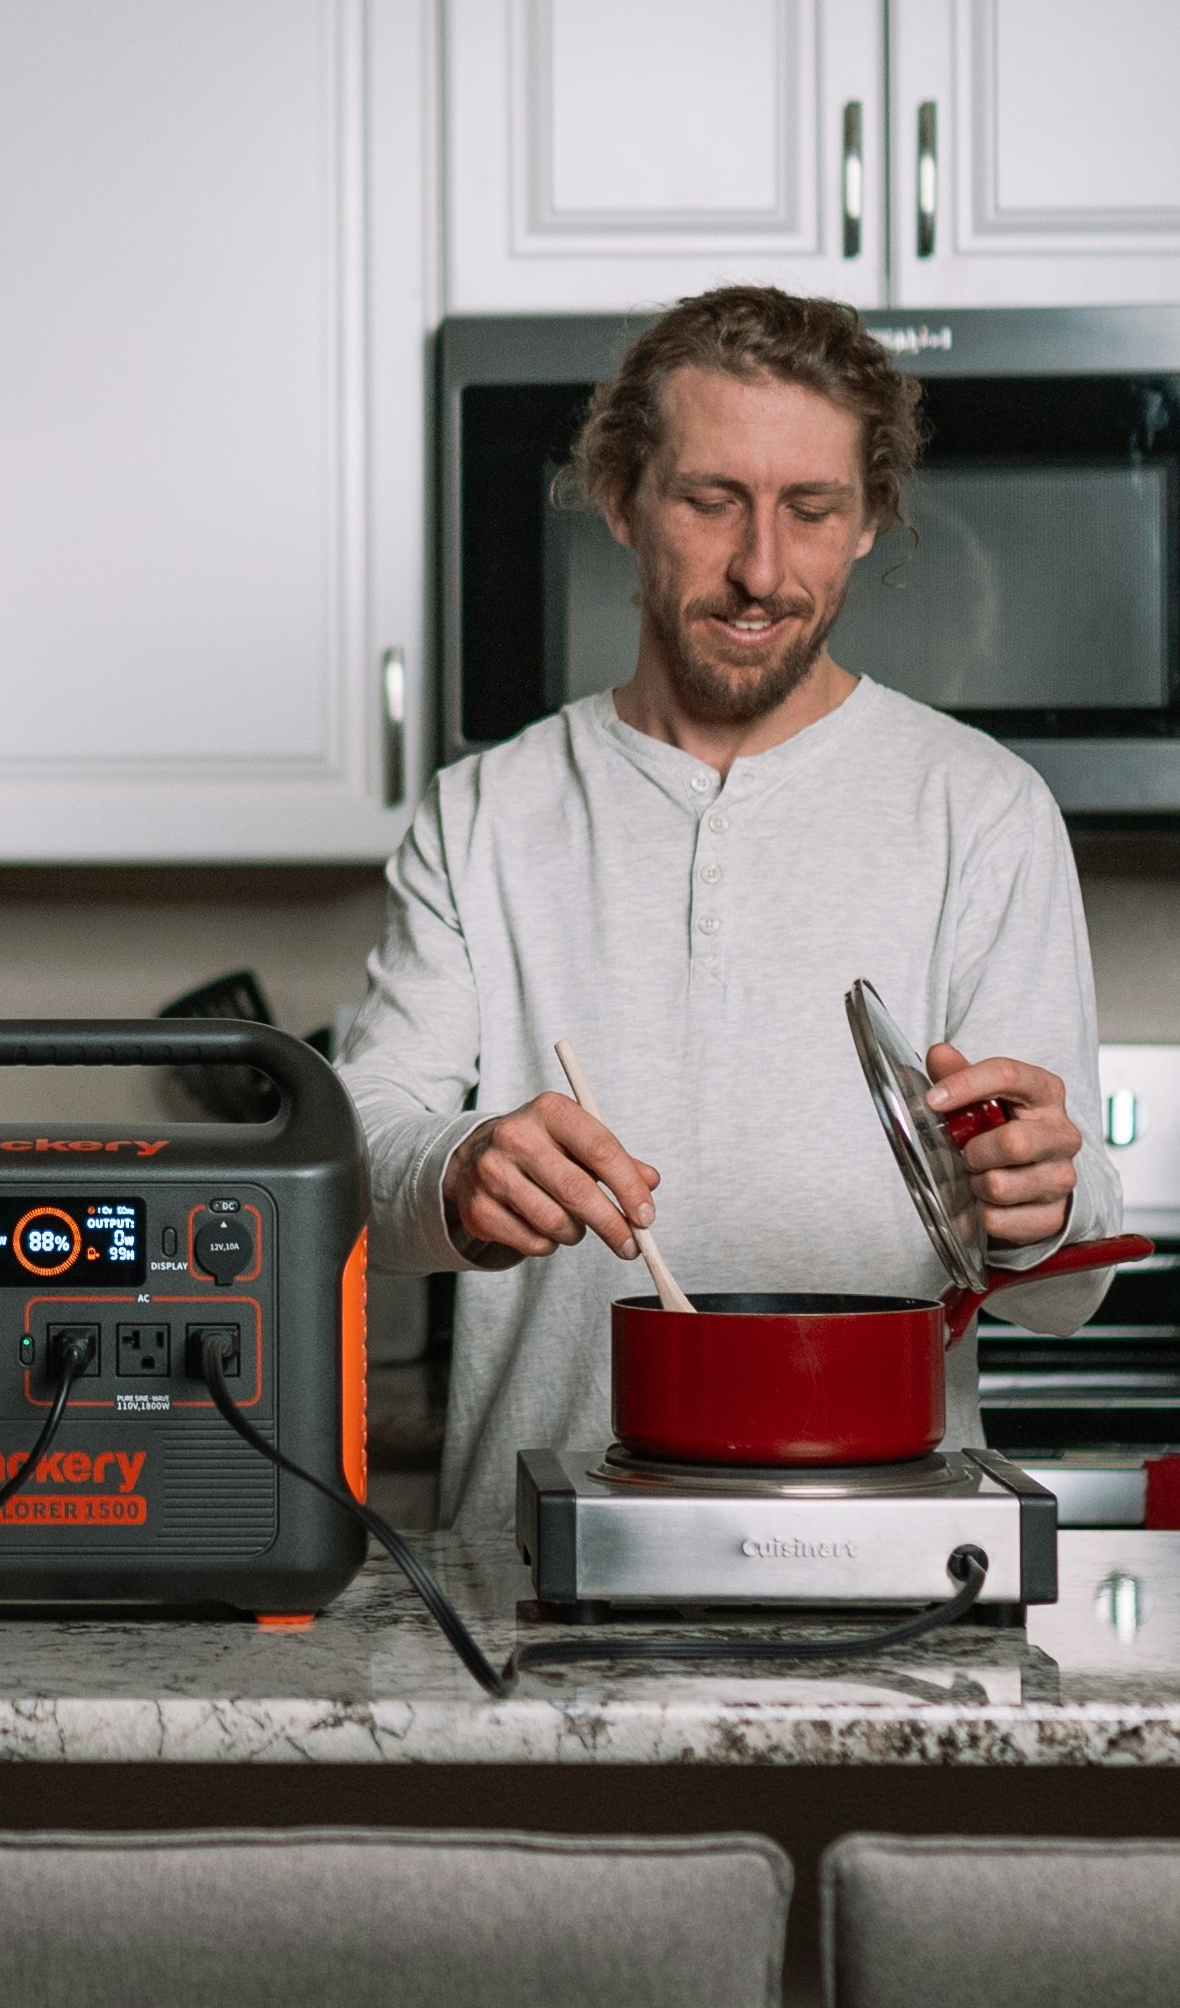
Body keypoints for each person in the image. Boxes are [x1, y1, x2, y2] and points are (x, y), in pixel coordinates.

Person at [339, 283, 1100, 1496]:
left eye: (811, 510)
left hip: (887, 1573)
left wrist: (1041, 1201)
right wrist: (462, 1168)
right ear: (622, 499)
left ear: (868, 520)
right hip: (543, 1580)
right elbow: (358, 1160)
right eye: (711, 501)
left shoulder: (985, 811)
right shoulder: (484, 814)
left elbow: (1068, 1292)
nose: (760, 569)